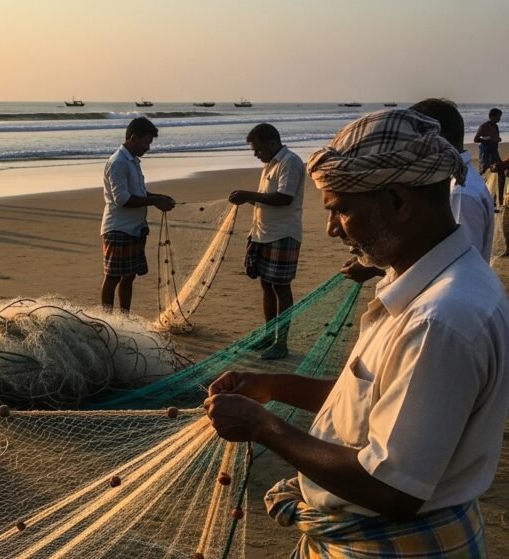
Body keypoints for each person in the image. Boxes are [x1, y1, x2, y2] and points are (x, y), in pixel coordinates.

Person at [205, 110, 509, 557]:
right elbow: (379, 400)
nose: (331, 230)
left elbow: (392, 488)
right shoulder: (428, 286)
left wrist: (261, 426)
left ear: (398, 202)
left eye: (342, 210)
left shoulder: (439, 320)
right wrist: (274, 387)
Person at [342, 99, 496, 281]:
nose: (405, 145)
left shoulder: (459, 192)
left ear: (435, 138)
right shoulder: (452, 183)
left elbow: (457, 268)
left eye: (411, 137)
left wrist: (376, 269)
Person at [227, 123, 305, 360]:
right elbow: (267, 199)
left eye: (258, 149)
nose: (256, 154)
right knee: (265, 284)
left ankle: (281, 342)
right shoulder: (269, 164)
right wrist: (246, 199)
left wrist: (248, 195)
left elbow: (283, 198)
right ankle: (269, 334)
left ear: (272, 143)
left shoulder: (290, 162)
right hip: (263, 233)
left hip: (283, 234)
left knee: (281, 286)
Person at [100, 116, 176, 314]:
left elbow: (139, 193)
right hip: (118, 228)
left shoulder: (132, 160)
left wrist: (158, 197)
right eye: (146, 143)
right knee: (113, 277)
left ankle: (124, 317)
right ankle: (107, 319)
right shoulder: (118, 162)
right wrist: (154, 201)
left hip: (135, 228)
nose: (147, 148)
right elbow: (122, 199)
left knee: (129, 276)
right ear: (133, 138)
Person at [475, 108, 503, 207]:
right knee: (483, 173)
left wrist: (497, 139)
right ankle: (478, 196)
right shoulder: (484, 126)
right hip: (486, 153)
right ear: (492, 116)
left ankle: (498, 199)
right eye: (498, 116)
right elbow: (476, 139)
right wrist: (487, 141)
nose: (500, 118)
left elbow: (496, 137)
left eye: (500, 116)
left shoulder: (495, 126)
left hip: (494, 152)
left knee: (500, 171)